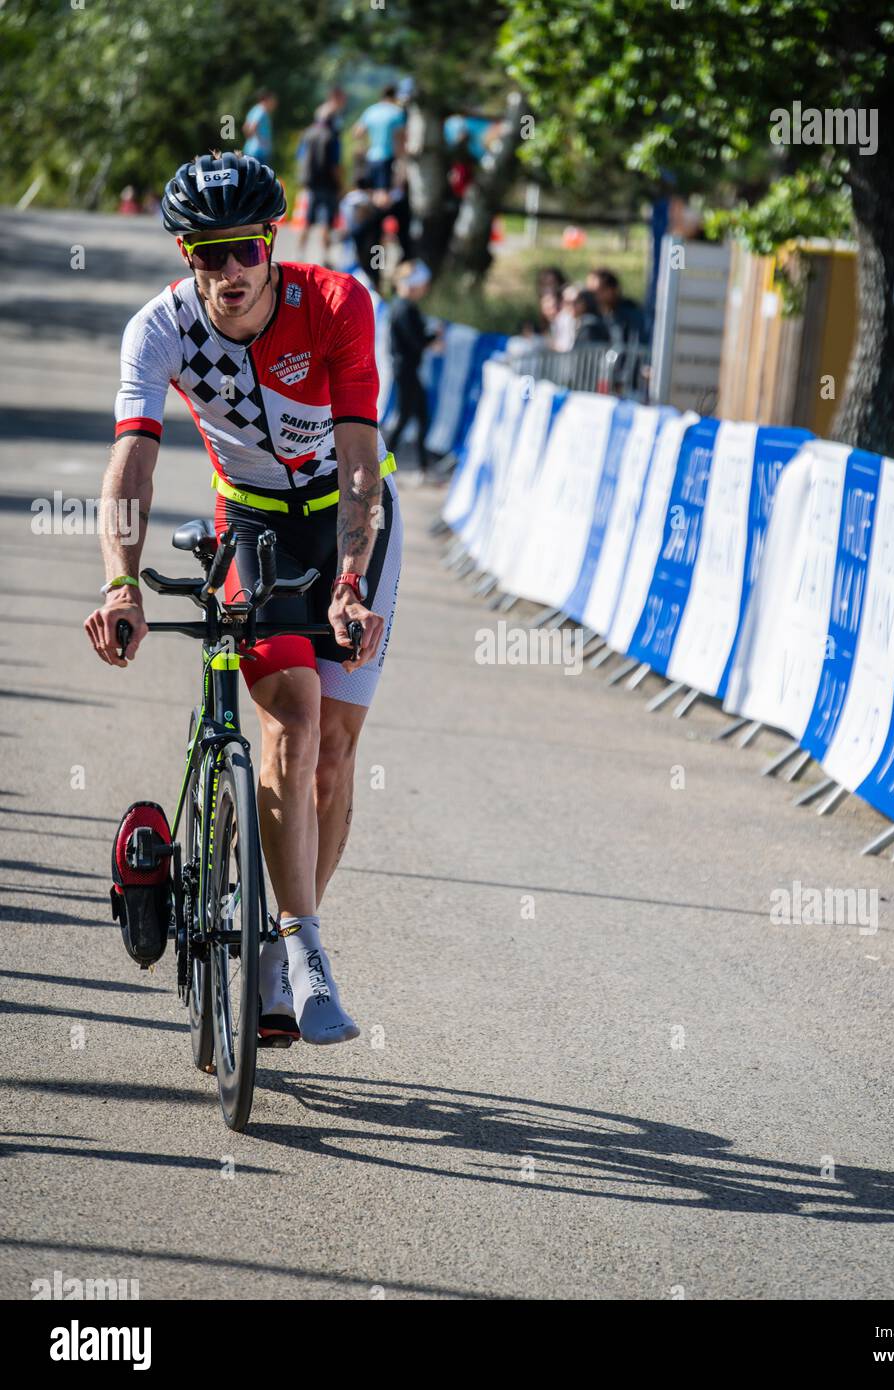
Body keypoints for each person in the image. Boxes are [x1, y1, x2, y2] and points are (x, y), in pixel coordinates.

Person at [84, 152, 403, 1048]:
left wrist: (348, 579)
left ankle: (275, 947)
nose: (228, 272)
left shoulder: (337, 304)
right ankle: (306, 953)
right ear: (187, 254)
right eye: (207, 253)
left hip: (350, 518)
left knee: (334, 756)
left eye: (243, 251)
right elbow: (134, 462)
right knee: (293, 722)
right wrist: (120, 581)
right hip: (253, 525)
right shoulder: (161, 329)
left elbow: (357, 462)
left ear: (273, 242)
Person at [387, 259, 441, 484]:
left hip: (407, 369)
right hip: (406, 369)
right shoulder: (404, 308)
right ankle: (382, 462)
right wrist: (434, 337)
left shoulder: (403, 306)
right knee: (406, 418)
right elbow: (416, 341)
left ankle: (422, 467)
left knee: (418, 417)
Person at [297, 104, 343, 266]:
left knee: (307, 220)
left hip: (310, 183)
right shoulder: (332, 136)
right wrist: (340, 184)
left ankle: (300, 254)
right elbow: (334, 165)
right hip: (328, 184)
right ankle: (325, 256)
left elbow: (300, 157)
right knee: (326, 221)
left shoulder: (308, 134)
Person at [353, 84, 407, 191]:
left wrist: (363, 145)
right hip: (388, 157)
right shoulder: (396, 112)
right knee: (385, 193)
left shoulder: (370, 110)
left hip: (371, 157)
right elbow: (400, 138)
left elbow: (357, 132)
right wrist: (402, 160)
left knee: (373, 191)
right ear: (395, 97)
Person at [585, 267, 646, 346]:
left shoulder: (631, 313)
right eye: (590, 291)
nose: (594, 296)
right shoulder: (595, 316)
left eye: (599, 290)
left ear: (613, 289)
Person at [242, 89, 277, 164]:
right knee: (262, 174)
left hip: (250, 149)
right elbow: (253, 127)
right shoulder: (262, 111)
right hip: (260, 152)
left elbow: (245, 127)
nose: (275, 102)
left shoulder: (254, 109)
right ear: (267, 99)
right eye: (273, 99)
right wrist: (259, 141)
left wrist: (251, 141)